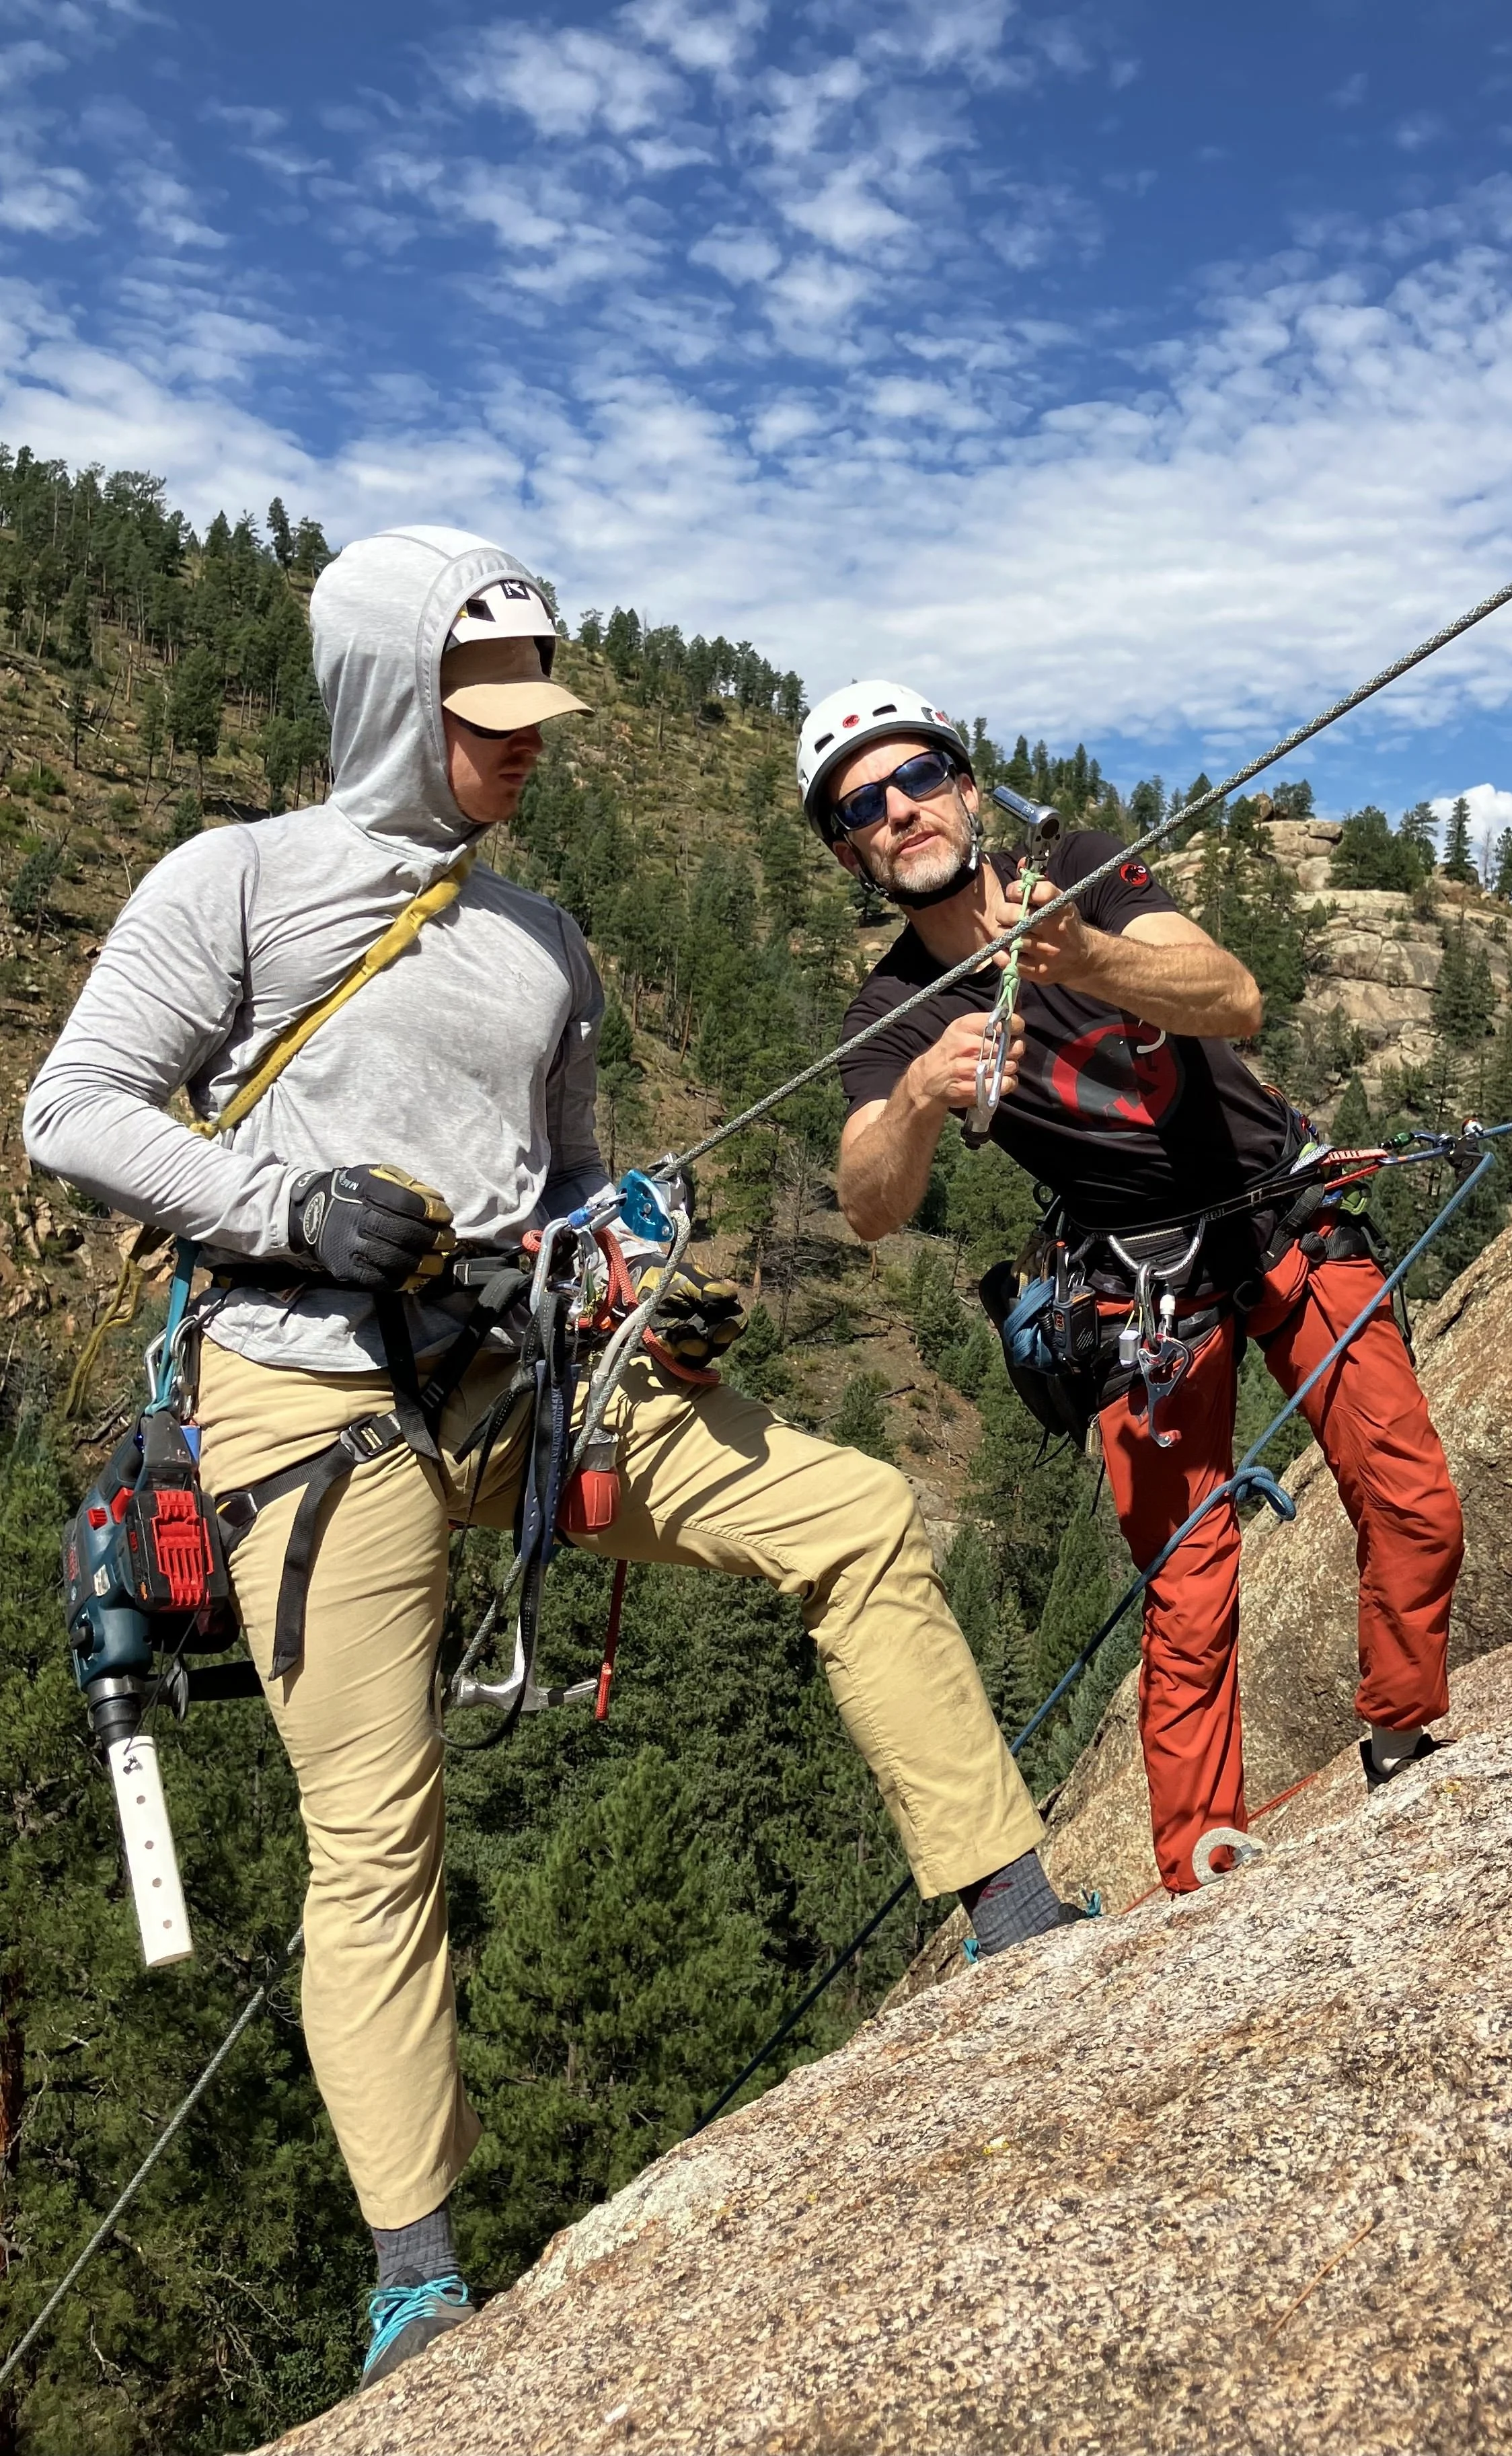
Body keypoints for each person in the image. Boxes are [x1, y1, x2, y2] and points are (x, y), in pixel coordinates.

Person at [26, 546, 1063, 2388]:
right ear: (386, 697)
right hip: (301, 1414)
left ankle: (1014, 1917)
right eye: (482, 710)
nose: (524, 746)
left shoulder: (546, 938)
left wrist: (642, 1281)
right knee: (376, 1835)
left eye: (531, 708)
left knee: (857, 1511)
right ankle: (417, 2278)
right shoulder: (241, 882)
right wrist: (284, 1202)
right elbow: (77, 1105)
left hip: (528, 1388)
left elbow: (571, 1189)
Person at [800, 678, 1464, 1898]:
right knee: (1192, 1589)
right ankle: (1203, 1864)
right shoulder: (895, 1010)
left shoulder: (1085, 869)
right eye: (866, 805)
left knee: (1412, 1496)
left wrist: (1088, 956)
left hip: (1280, 1215)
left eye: (918, 778)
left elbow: (1232, 994)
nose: (901, 811)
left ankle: (1402, 1734)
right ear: (849, 846)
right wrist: (909, 1100)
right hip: (1141, 1287)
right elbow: (866, 1200)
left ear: (967, 784)